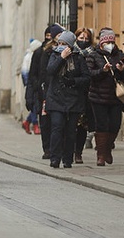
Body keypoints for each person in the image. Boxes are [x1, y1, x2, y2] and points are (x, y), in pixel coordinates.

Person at [45, 30, 91, 168]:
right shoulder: (54, 55)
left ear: (70, 45)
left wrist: (73, 81)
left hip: (73, 100)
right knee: (57, 128)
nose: (60, 46)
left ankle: (67, 159)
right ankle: (55, 158)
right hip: (56, 98)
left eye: (64, 43)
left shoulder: (78, 57)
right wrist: (61, 58)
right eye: (59, 43)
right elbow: (50, 70)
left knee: (71, 132)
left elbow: (87, 78)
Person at [85, 27, 124, 166]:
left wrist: (122, 71)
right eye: (107, 42)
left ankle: (108, 148)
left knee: (115, 125)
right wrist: (103, 71)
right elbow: (90, 74)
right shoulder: (94, 55)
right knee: (101, 125)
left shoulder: (119, 55)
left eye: (112, 42)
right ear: (101, 43)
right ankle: (101, 155)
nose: (110, 45)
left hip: (115, 97)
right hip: (98, 97)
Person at [30, 24, 64, 158]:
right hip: (44, 91)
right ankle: (47, 148)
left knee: (57, 123)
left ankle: (56, 148)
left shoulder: (65, 50)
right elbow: (36, 73)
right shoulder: (41, 52)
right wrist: (38, 88)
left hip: (58, 92)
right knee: (45, 122)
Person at [73, 27, 96, 163]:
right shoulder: (70, 53)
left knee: (82, 126)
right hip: (71, 94)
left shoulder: (93, 53)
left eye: (86, 39)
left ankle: (78, 153)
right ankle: (69, 150)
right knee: (70, 125)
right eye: (81, 38)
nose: (84, 41)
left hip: (87, 95)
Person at [21, 38, 42, 134]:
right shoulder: (29, 56)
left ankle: (27, 122)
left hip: (35, 81)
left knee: (35, 105)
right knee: (33, 105)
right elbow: (27, 71)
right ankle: (35, 124)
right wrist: (28, 85)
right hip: (31, 82)